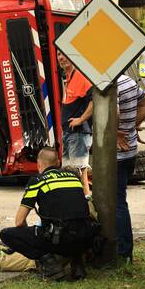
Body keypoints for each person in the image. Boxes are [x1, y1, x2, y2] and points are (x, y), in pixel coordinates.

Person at [0, 146, 94, 281]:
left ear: (38, 165)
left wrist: (28, 240)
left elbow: (19, 222)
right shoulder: (73, 178)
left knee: (6, 234)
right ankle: (77, 262)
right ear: (58, 162)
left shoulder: (37, 181)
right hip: (86, 238)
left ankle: (51, 265)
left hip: (60, 240)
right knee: (73, 224)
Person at [113, 73, 145, 262]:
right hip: (130, 153)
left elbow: (115, 112)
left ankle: (123, 252)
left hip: (116, 154)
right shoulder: (127, 80)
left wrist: (117, 132)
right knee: (119, 201)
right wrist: (132, 125)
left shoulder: (109, 85)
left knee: (116, 203)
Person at [58, 53, 92, 197]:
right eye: (59, 55)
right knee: (68, 176)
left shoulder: (80, 76)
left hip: (78, 133)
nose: (61, 58)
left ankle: (87, 210)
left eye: (64, 54)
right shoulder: (69, 78)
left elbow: (95, 99)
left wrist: (81, 119)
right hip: (69, 133)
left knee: (79, 175)